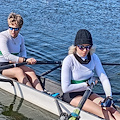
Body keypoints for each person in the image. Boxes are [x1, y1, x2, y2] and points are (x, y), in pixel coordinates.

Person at [61, 29, 120, 120]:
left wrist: (109, 97)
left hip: (87, 92)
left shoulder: (94, 57)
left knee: (111, 109)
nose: (85, 50)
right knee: (105, 113)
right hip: (71, 95)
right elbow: (65, 88)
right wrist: (86, 85)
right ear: (76, 46)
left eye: (88, 47)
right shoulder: (69, 60)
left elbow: (103, 78)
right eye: (81, 47)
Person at [0, 12, 43, 92]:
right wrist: (24, 60)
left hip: (12, 63)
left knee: (31, 71)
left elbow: (23, 52)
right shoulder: (3, 36)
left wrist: (25, 60)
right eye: (11, 28)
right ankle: (32, 94)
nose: (13, 31)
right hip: (1, 65)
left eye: (16, 29)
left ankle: (42, 93)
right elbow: (6, 56)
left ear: (20, 28)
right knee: (19, 71)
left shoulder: (21, 38)